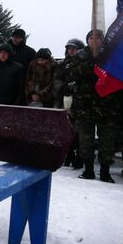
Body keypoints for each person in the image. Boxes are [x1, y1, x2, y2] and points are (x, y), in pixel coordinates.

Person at [66, 30, 121, 183]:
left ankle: (105, 171)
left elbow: (118, 74)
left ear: (103, 40)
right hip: (85, 104)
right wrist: (92, 67)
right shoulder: (80, 56)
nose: (94, 40)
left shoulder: (111, 55)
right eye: (91, 37)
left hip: (106, 104)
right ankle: (88, 169)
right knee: (85, 138)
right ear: (87, 40)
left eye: (98, 38)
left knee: (107, 139)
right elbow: (71, 73)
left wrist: (103, 66)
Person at [52, 38, 86, 169]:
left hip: (80, 103)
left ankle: (80, 157)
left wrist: (74, 88)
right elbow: (56, 81)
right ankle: (68, 154)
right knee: (65, 130)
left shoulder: (84, 63)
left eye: (74, 48)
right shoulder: (61, 64)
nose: (71, 51)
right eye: (69, 48)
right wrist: (63, 89)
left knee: (79, 132)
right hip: (63, 102)